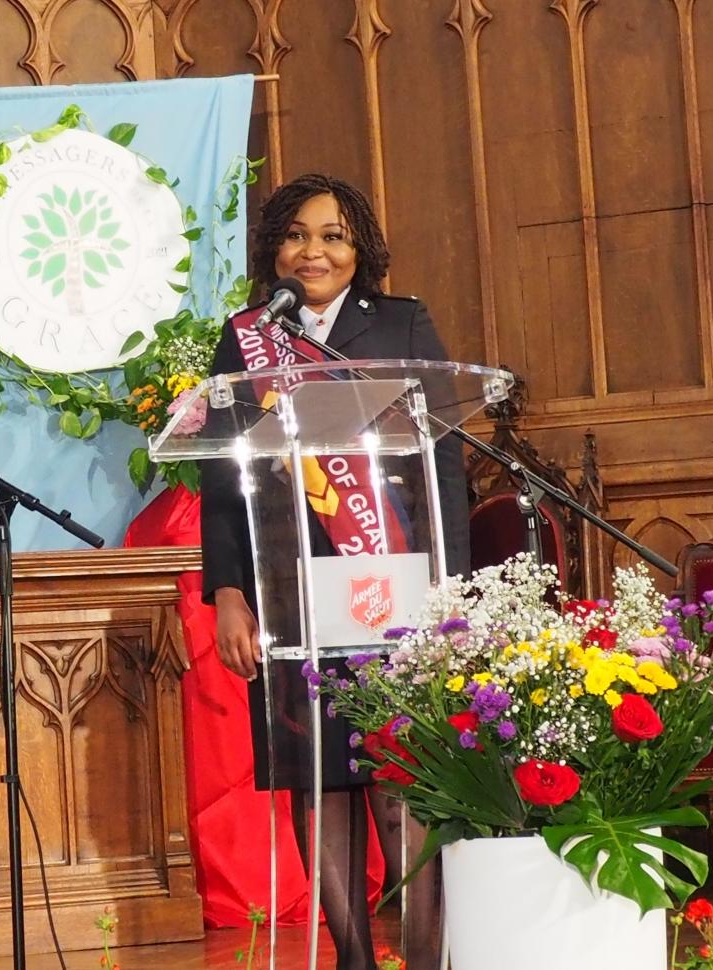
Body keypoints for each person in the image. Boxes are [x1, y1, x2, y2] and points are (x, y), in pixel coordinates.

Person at [200, 173, 470, 970]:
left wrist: (446, 590)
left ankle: (424, 956)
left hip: (390, 578)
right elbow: (222, 482)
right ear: (273, 246)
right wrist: (227, 593)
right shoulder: (245, 336)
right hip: (290, 587)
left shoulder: (401, 323)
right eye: (297, 234)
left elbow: (444, 464)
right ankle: (352, 954)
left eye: (332, 236)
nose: (312, 250)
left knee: (401, 773)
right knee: (317, 774)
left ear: (361, 252)